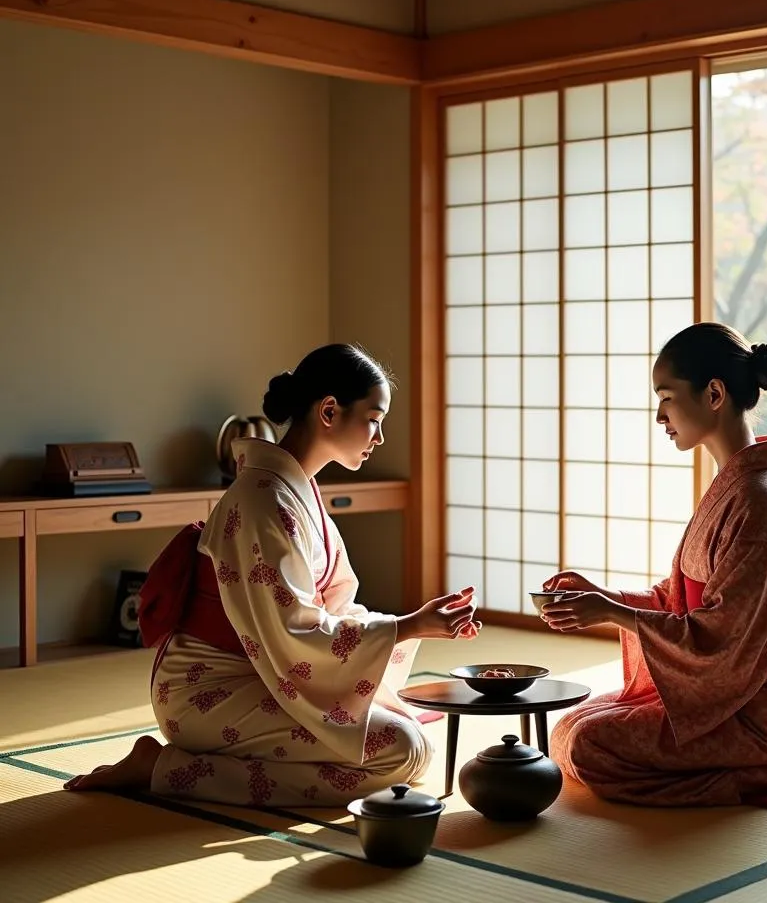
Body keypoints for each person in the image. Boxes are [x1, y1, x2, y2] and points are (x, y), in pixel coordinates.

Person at [65, 344, 480, 806]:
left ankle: (182, 766)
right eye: (374, 418)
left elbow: (336, 607)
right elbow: (294, 629)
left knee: (410, 747)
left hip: (266, 674)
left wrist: (410, 626)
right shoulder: (263, 500)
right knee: (401, 753)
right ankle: (165, 768)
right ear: (328, 411)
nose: (380, 437)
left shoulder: (296, 493)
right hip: (209, 689)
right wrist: (407, 627)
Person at [540, 322, 767, 806]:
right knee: (571, 728)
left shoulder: (761, 502)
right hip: (733, 694)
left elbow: (723, 640)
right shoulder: (736, 484)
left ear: (714, 394)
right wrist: (603, 597)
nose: (659, 415)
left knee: (593, 747)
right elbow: (677, 602)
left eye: (668, 397)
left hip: (763, 712)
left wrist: (612, 614)